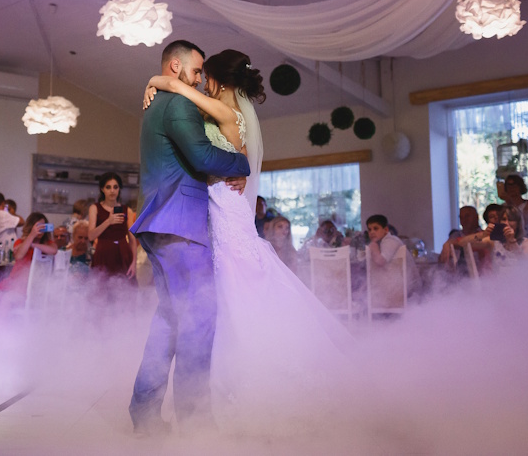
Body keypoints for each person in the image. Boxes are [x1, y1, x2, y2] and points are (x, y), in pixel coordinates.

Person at [142, 46, 354, 433]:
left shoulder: (225, 112)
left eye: (207, 75)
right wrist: (162, 81)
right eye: (199, 74)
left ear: (220, 81)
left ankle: (224, 399)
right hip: (220, 212)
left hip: (226, 210)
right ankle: (206, 403)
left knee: (224, 305)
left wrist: (159, 80)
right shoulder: (212, 108)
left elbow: (208, 150)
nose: (202, 80)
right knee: (217, 307)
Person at [128, 40, 251, 436]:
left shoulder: (155, 104)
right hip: (179, 223)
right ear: (176, 65)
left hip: (161, 222)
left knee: (169, 319)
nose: (200, 79)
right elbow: (201, 157)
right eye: (196, 71)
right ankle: (197, 421)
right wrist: (241, 162)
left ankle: (145, 413)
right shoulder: (178, 104)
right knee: (200, 318)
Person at [0, 212, 58, 312]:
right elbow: (19, 255)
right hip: (14, 282)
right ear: (31, 227)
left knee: (6, 300)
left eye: (43, 226)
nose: (41, 230)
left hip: (31, 287)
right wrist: (32, 236)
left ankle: (1, 327)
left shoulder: (47, 244)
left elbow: (54, 250)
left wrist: (33, 245)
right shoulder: (20, 243)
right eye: (38, 226)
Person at [88, 172, 139, 282]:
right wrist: (108, 221)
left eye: (115, 187)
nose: (112, 191)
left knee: (126, 292)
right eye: (108, 187)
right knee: (101, 293)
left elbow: (132, 240)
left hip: (123, 253)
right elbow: (91, 236)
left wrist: (134, 263)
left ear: (119, 189)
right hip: (103, 254)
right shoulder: (95, 208)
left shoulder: (127, 210)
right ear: (102, 189)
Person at [366, 214, 421, 296]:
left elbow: (380, 261)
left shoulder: (390, 240)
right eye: (369, 230)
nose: (372, 232)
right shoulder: (381, 242)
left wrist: (373, 247)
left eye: (376, 228)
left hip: (410, 291)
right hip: (400, 288)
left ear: (386, 230)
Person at [501, 174, 528, 240]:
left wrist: (510, 202)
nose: (512, 188)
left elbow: (525, 222)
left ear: (520, 187)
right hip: (507, 240)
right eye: (509, 186)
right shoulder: (503, 206)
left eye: (515, 185)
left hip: (525, 239)